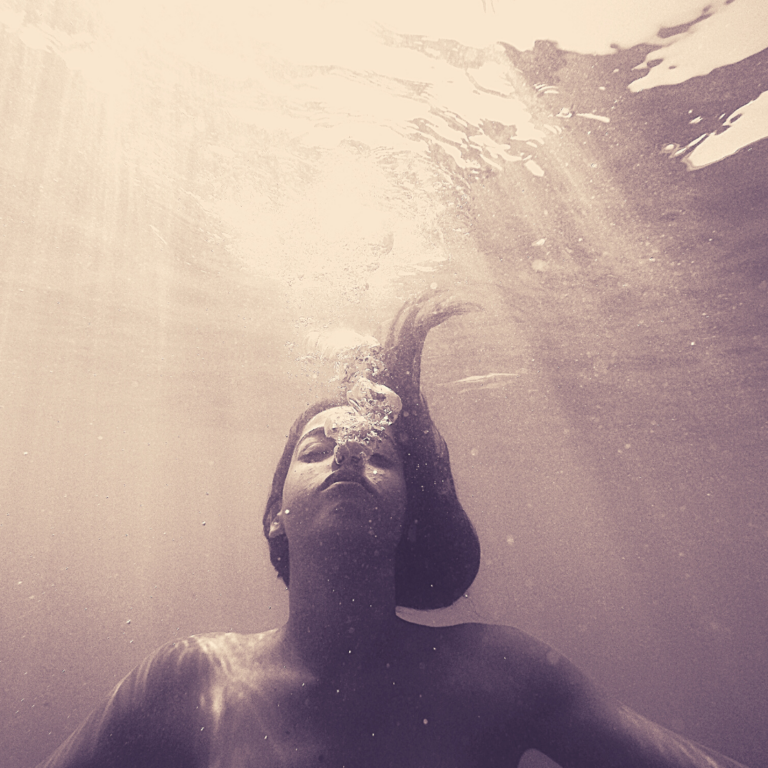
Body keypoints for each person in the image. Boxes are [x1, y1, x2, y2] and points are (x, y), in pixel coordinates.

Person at [36, 292, 750, 768]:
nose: (347, 452)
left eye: (377, 456)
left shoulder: (503, 671)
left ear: (411, 514)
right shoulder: (182, 679)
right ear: (273, 514)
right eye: (316, 450)